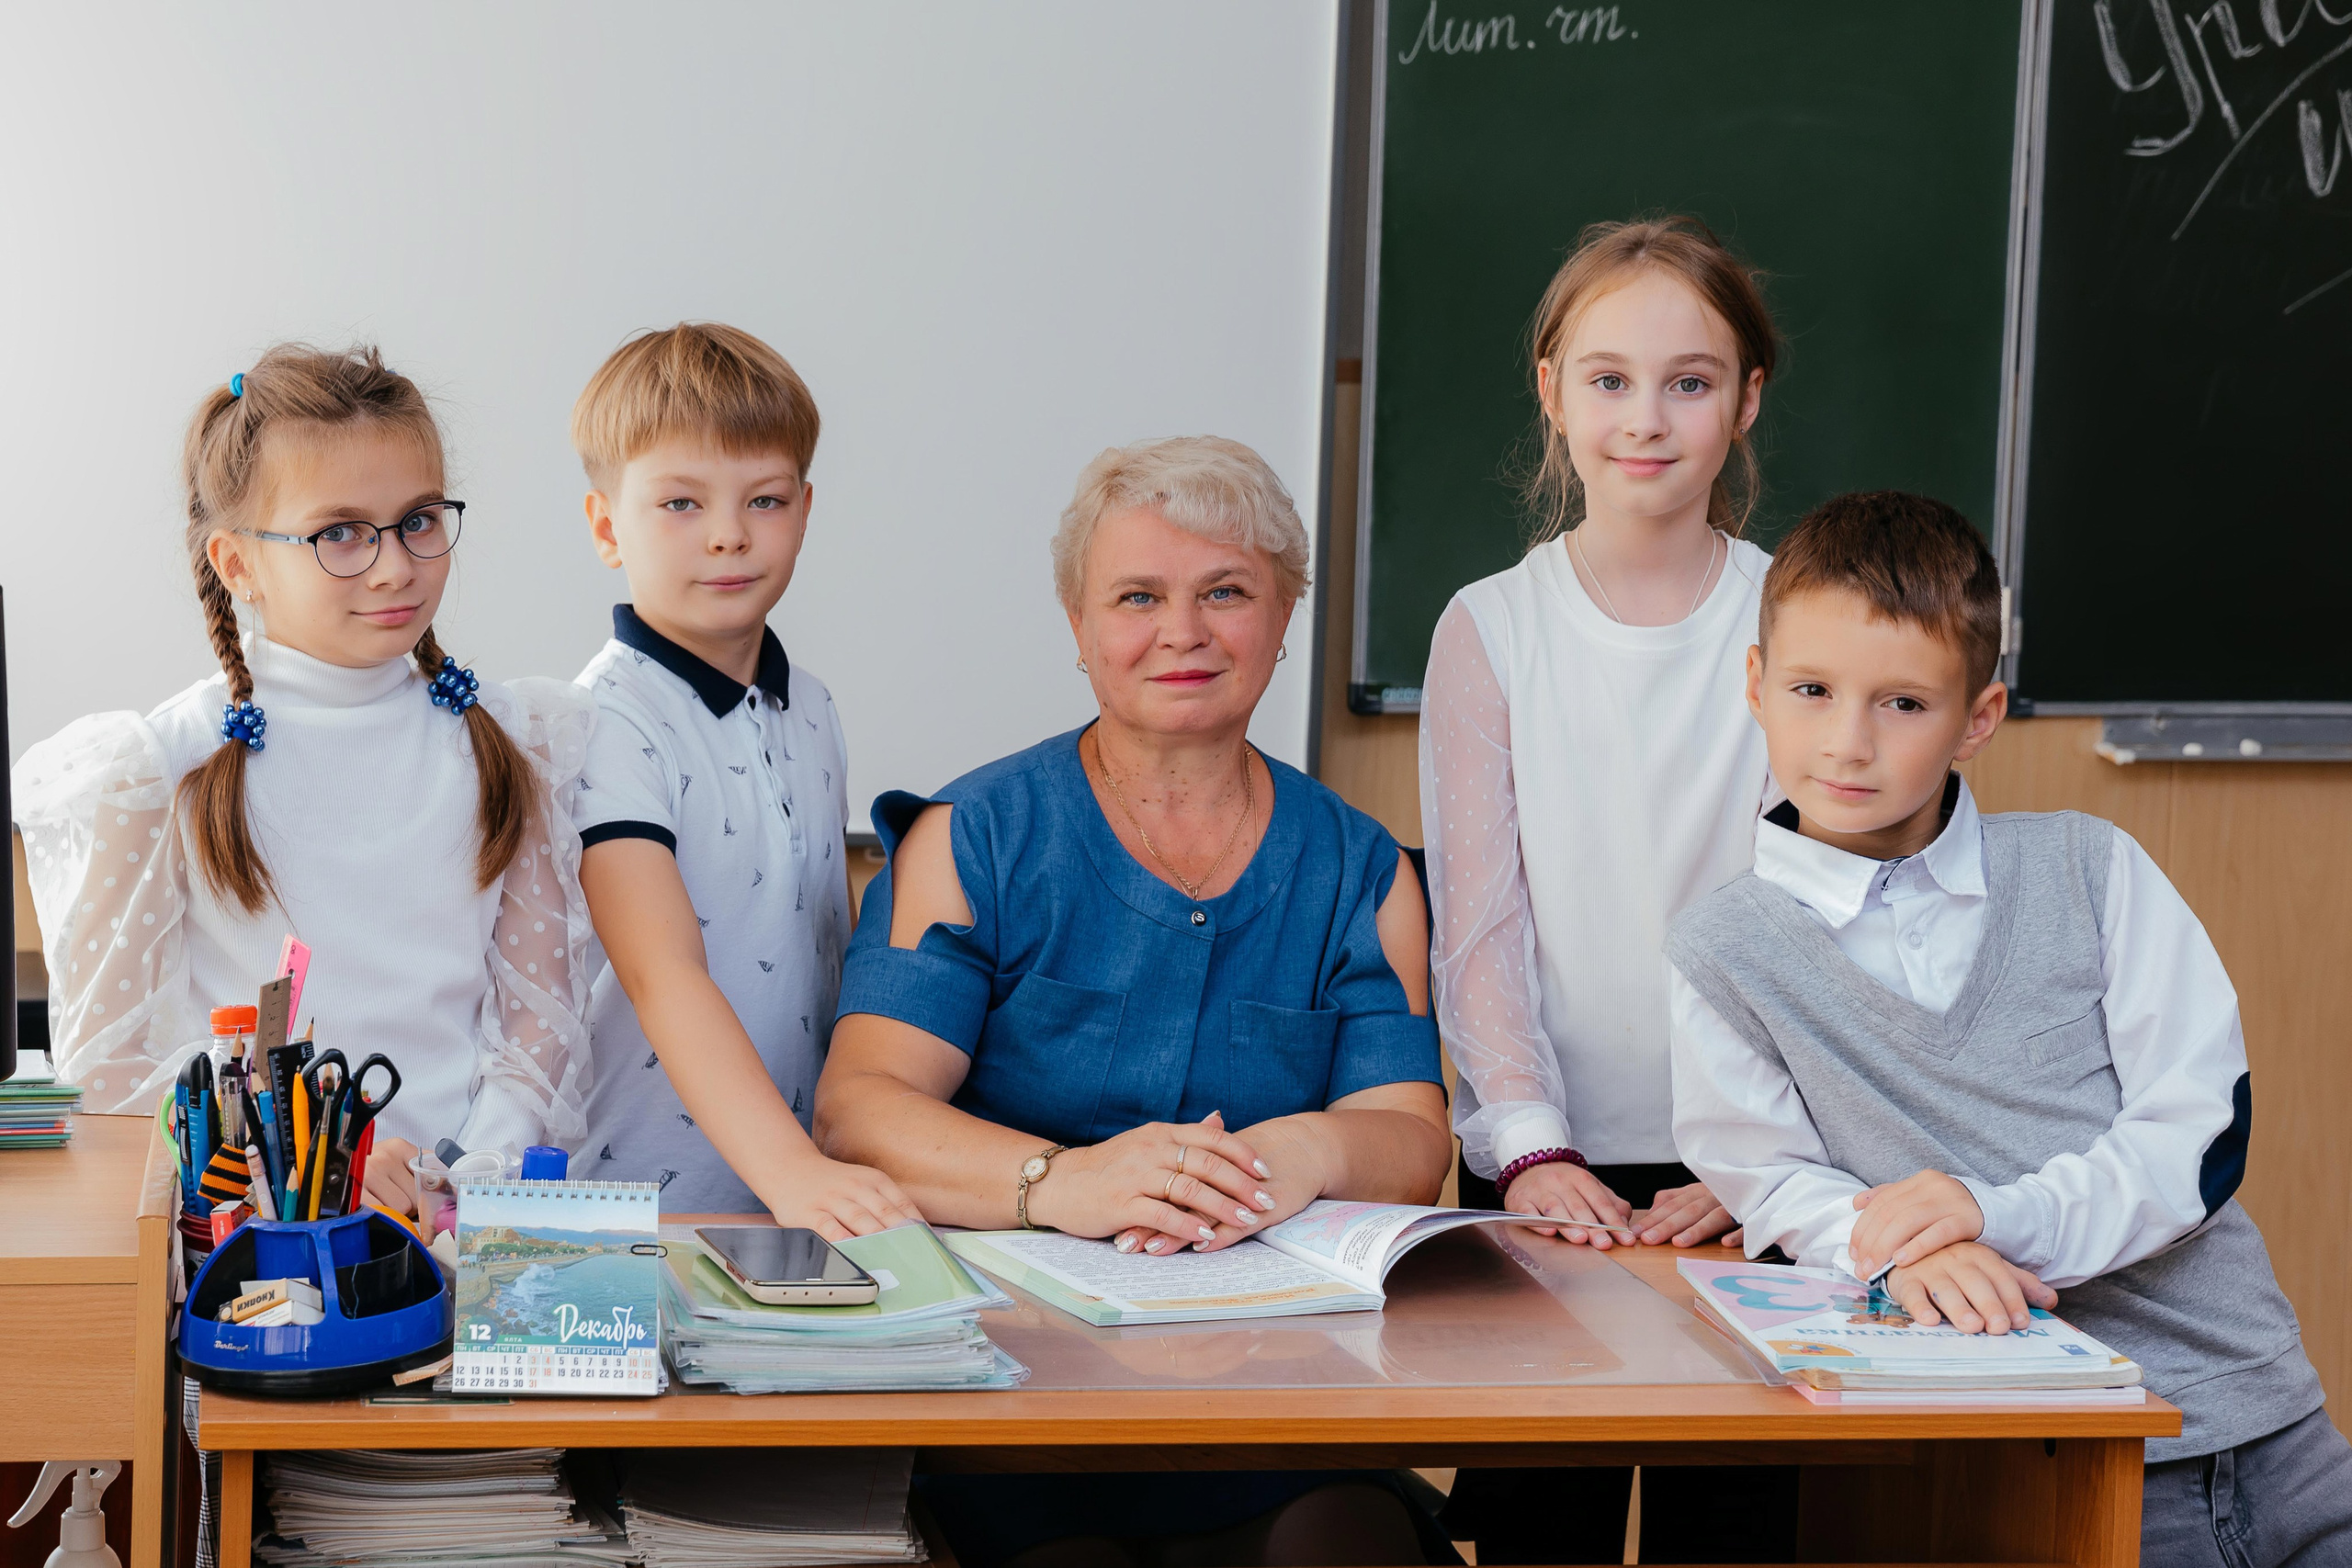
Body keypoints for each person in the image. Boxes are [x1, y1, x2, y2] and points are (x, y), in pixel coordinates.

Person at [1668, 491, 2352, 1565]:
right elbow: (1773, 1182)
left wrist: (1988, 1215)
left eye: (1902, 703)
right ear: (1756, 685)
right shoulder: (1721, 953)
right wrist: (1895, 1256)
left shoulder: (2091, 869)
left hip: (2253, 1420)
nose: (1846, 742)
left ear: (1977, 718)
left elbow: (2201, 1136)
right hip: (2027, 1457)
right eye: (1811, 690)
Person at [815, 435, 1450, 1568]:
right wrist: (1061, 1182)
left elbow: (1408, 1135)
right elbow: (859, 1110)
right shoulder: (973, 837)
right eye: (1138, 597)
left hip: (1273, 1398)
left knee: (1345, 1544)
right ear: (1077, 624)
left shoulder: (1362, 869)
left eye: (1226, 592)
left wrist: (1302, 1151)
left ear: (1285, 614)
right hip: (1007, 1390)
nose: (1183, 631)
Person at [1416, 216, 1795, 1561]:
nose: (1646, 417)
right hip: (1548, 1166)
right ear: (1552, 391)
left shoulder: (1796, 622)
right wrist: (1530, 1147)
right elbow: (1479, 923)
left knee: (1731, 1528)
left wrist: (1768, 1164)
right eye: (1609, 378)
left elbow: (1827, 925)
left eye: (1690, 381)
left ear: (1746, 401)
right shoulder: (1490, 625)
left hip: (1754, 1173)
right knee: (1544, 1529)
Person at [13, 344, 592, 1205]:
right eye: (340, 534)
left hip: (460, 1228)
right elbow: (115, 1069)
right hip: (257, 1240)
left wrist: (456, 1175)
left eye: (419, 520)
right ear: (237, 563)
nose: (395, 565)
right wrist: (315, 1172)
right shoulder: (158, 769)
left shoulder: (514, 742)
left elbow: (537, 1026)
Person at [567, 322, 920, 1235]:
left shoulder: (814, 705)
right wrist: (795, 1172)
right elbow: (660, 971)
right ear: (607, 526)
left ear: (805, 510)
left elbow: (823, 939)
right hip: (639, 1209)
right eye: (680, 504)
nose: (728, 535)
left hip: (802, 1199)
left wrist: (825, 1162)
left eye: (764, 500)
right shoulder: (603, 720)